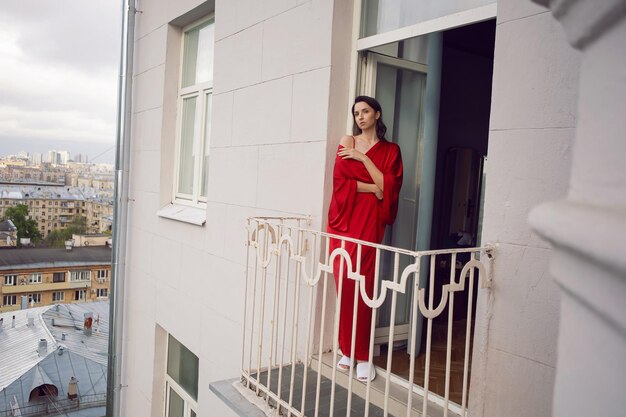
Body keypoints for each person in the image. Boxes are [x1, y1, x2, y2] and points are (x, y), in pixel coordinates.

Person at [327, 95, 403, 381]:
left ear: (377, 114)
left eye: (365, 111)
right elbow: (340, 180)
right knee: (345, 286)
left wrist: (361, 159)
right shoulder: (347, 140)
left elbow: (391, 187)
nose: (360, 117)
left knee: (365, 286)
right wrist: (375, 187)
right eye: (356, 112)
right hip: (343, 222)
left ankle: (363, 354)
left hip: (369, 223)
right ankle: (346, 350)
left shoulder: (391, 150)